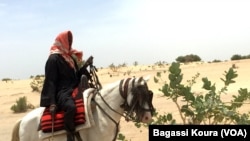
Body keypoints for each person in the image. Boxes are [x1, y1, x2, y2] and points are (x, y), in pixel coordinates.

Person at [40, 30, 90, 141]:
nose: (70, 43)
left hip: (73, 88)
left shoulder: (69, 58)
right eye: (68, 41)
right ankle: (70, 133)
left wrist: (84, 68)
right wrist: (52, 102)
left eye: (70, 41)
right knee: (71, 107)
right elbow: (50, 81)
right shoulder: (53, 59)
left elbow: (75, 76)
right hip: (61, 91)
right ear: (62, 41)